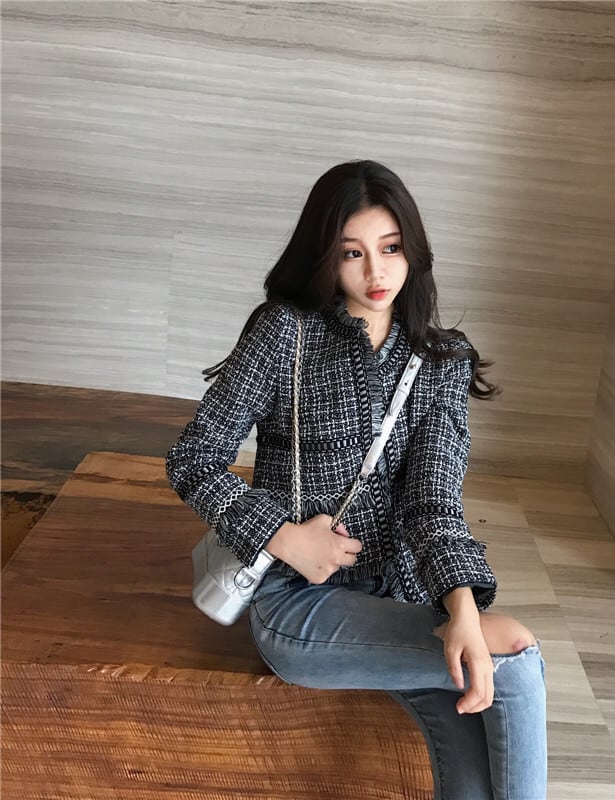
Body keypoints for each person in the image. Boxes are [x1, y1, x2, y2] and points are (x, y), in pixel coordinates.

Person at [166, 160, 547, 800]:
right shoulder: (285, 334)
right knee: (512, 652)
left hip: (402, 597)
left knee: (472, 733)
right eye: (353, 253)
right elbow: (194, 458)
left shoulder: (441, 359)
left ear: (413, 250)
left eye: (390, 248)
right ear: (326, 257)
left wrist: (460, 608)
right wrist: (285, 537)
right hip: (299, 604)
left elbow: (433, 503)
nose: (376, 273)